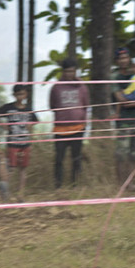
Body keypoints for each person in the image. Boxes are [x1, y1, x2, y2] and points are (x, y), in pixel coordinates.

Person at [49, 57, 90, 189]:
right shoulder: (56, 88)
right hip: (61, 129)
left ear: (75, 71)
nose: (69, 74)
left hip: (78, 128)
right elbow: (52, 105)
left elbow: (85, 105)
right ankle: (58, 185)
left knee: (76, 158)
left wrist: (83, 122)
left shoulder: (82, 87)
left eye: (72, 71)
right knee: (59, 159)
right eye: (67, 71)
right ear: (63, 72)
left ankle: (75, 184)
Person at [0, 84, 38, 200]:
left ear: (26, 95)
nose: (20, 97)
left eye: (22, 94)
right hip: (12, 142)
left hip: (25, 142)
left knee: (23, 168)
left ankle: (20, 193)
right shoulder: (8, 108)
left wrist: (29, 126)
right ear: (14, 95)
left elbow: (36, 121)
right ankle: (6, 193)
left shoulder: (28, 109)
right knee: (11, 168)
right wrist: (3, 126)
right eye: (18, 94)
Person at [112, 48, 135, 182]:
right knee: (122, 153)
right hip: (123, 119)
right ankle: (121, 183)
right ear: (117, 61)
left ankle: (132, 182)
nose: (124, 61)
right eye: (121, 58)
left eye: (126, 58)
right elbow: (120, 98)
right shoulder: (115, 77)